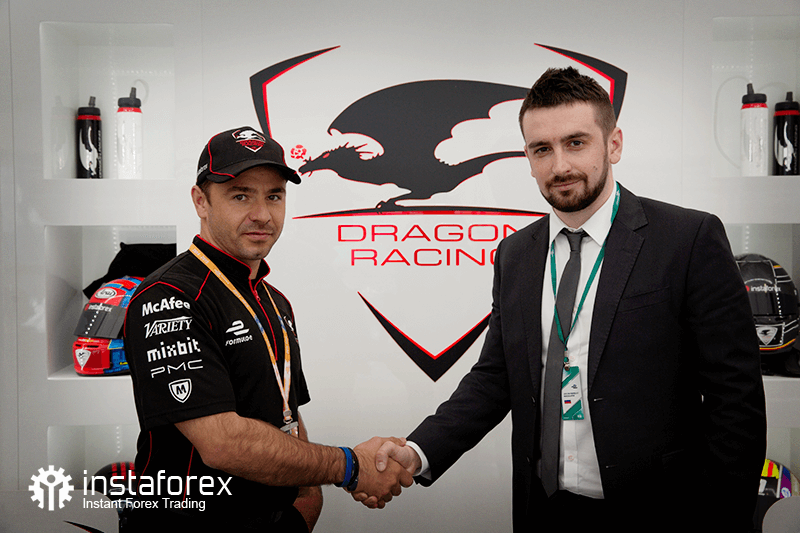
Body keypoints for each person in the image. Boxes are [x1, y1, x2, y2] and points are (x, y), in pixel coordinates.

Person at [359, 68, 767, 532]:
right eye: (542, 149)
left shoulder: (687, 239)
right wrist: (417, 452)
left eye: (576, 143)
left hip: (661, 511)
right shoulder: (515, 254)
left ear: (613, 144)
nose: (559, 167)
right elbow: (495, 378)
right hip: (545, 510)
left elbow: (735, 399)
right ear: (528, 157)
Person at [123, 127, 411, 531]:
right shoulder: (167, 297)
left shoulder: (275, 301)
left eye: (274, 196)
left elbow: (287, 415)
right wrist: (349, 466)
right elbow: (223, 443)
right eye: (241, 195)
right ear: (201, 201)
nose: (262, 214)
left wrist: (305, 505)